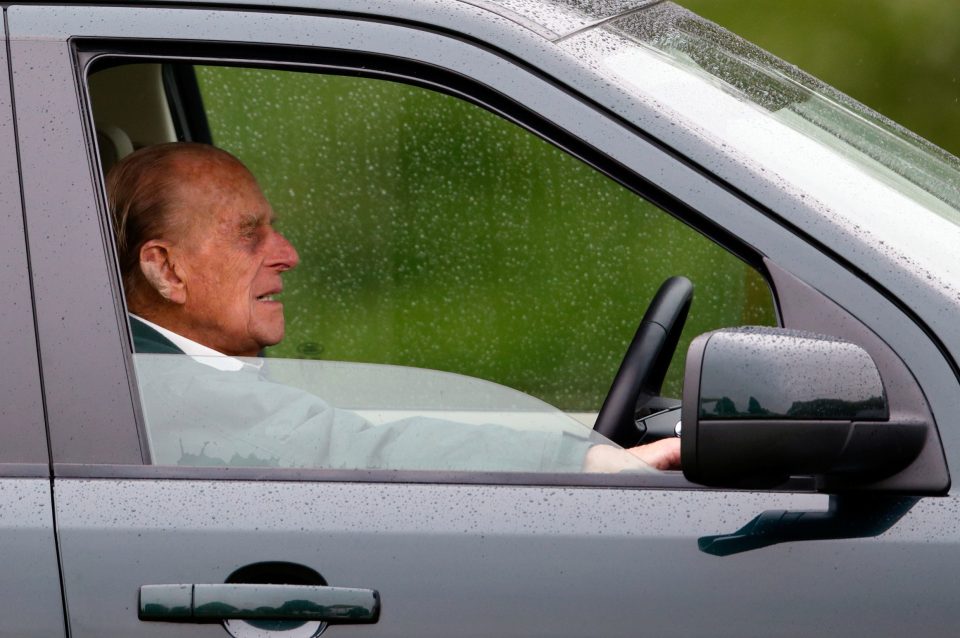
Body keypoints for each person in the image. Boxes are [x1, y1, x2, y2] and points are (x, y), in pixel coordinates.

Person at [108, 142, 681, 472]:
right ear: (167, 269)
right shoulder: (159, 389)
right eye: (249, 234)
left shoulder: (153, 370)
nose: (288, 255)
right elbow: (350, 449)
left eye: (274, 230)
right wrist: (586, 464)